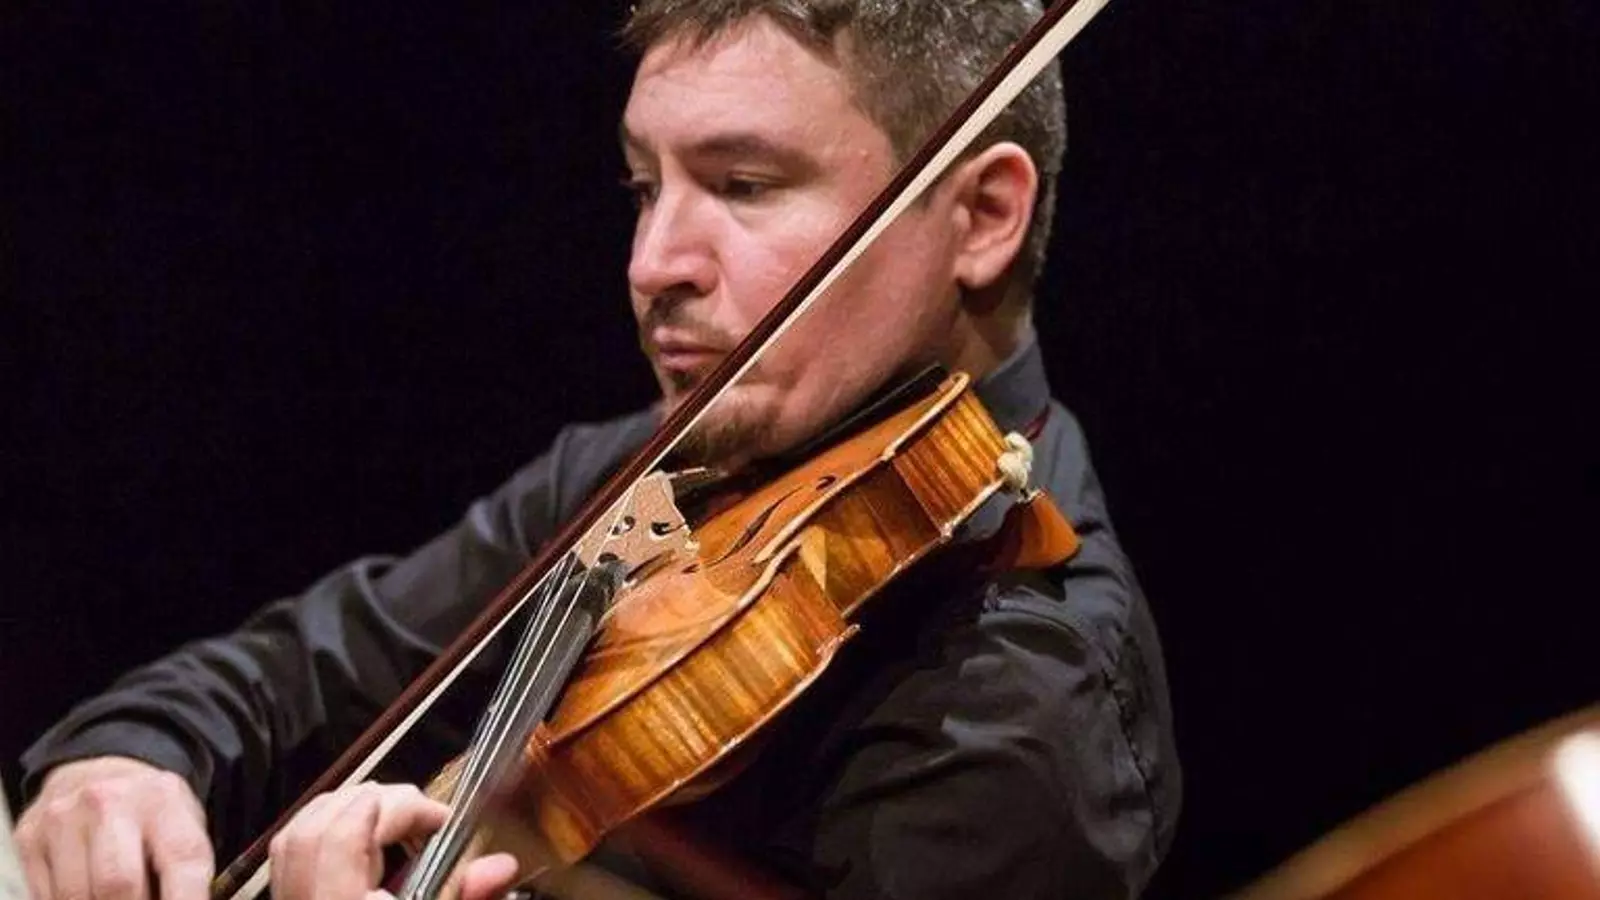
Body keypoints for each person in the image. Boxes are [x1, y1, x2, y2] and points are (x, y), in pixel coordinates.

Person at [15, 2, 1181, 898]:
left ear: (982, 216)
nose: (652, 263)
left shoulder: (1015, 711)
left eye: (742, 184)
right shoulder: (667, 481)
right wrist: (130, 758)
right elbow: (310, 669)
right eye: (641, 186)